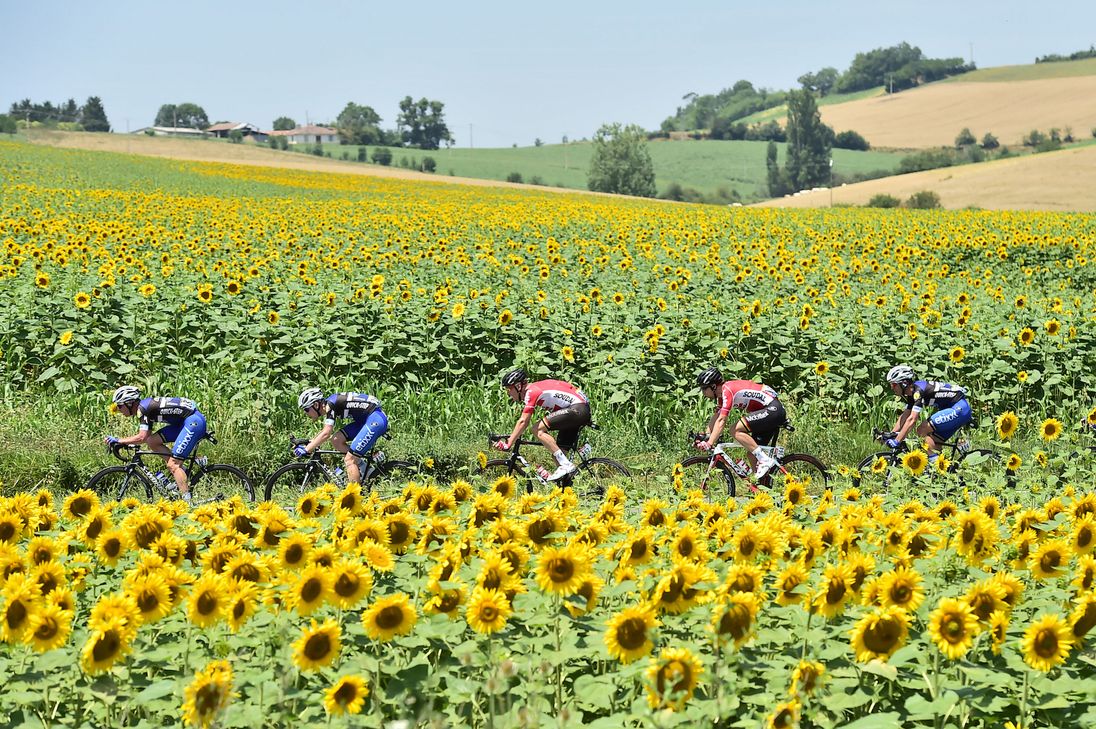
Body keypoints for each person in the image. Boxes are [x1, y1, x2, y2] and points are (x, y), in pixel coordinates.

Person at [106, 385, 206, 503]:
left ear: (129, 403)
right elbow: (146, 437)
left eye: (120, 406)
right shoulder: (144, 406)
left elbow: (142, 437)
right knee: (152, 441)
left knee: (173, 465)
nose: (118, 409)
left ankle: (188, 504)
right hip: (184, 422)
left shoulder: (143, 409)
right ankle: (182, 471)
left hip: (193, 422)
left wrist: (119, 440)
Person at [496, 369, 591, 481]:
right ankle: (566, 485)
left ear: (518, 386)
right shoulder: (536, 387)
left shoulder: (531, 391)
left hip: (577, 409)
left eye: (509, 389)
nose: (508, 393)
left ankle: (566, 465)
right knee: (558, 457)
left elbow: (523, 421)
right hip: (579, 409)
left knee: (536, 429)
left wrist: (508, 443)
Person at [694, 367, 784, 480]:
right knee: (752, 454)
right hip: (768, 411)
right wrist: (706, 435)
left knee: (735, 430)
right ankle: (760, 486)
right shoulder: (721, 396)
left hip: (773, 409)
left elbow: (722, 421)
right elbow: (716, 416)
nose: (703, 393)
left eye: (704, 388)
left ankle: (765, 460)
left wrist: (710, 443)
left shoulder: (727, 390)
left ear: (713, 386)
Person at [296, 388, 388, 485]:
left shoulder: (330, 405)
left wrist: (307, 449)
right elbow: (325, 431)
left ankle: (355, 493)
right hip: (366, 420)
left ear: (315, 405)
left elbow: (326, 433)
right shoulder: (331, 403)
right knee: (336, 440)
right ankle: (366, 470)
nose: (305, 413)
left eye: (306, 409)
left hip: (375, 419)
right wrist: (311, 443)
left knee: (350, 460)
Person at [883, 364, 972, 462]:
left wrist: (897, 440)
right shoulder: (912, 393)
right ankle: (943, 468)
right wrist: (892, 434)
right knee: (932, 443)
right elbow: (905, 415)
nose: (892, 388)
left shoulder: (918, 391)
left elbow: (912, 419)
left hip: (959, 408)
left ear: (904, 383)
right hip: (955, 408)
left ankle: (935, 465)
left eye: (894, 384)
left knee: (922, 430)